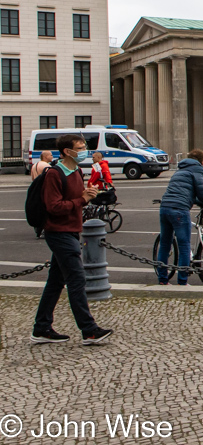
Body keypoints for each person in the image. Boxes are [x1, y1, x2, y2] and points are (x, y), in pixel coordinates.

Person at [31, 134, 113, 345]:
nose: (84, 150)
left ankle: (41, 328)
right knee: (77, 279)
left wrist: (86, 195)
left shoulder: (76, 171)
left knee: (56, 281)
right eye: (80, 147)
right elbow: (54, 207)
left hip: (70, 230)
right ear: (67, 151)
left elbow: (72, 200)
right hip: (58, 232)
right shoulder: (54, 174)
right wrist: (81, 199)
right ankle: (89, 330)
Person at [157, 149, 203, 286]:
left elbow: (187, 194)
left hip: (165, 208)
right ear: (201, 161)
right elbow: (201, 191)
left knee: (165, 244)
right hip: (179, 210)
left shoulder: (180, 170)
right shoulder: (197, 169)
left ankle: (163, 280)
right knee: (184, 245)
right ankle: (182, 282)